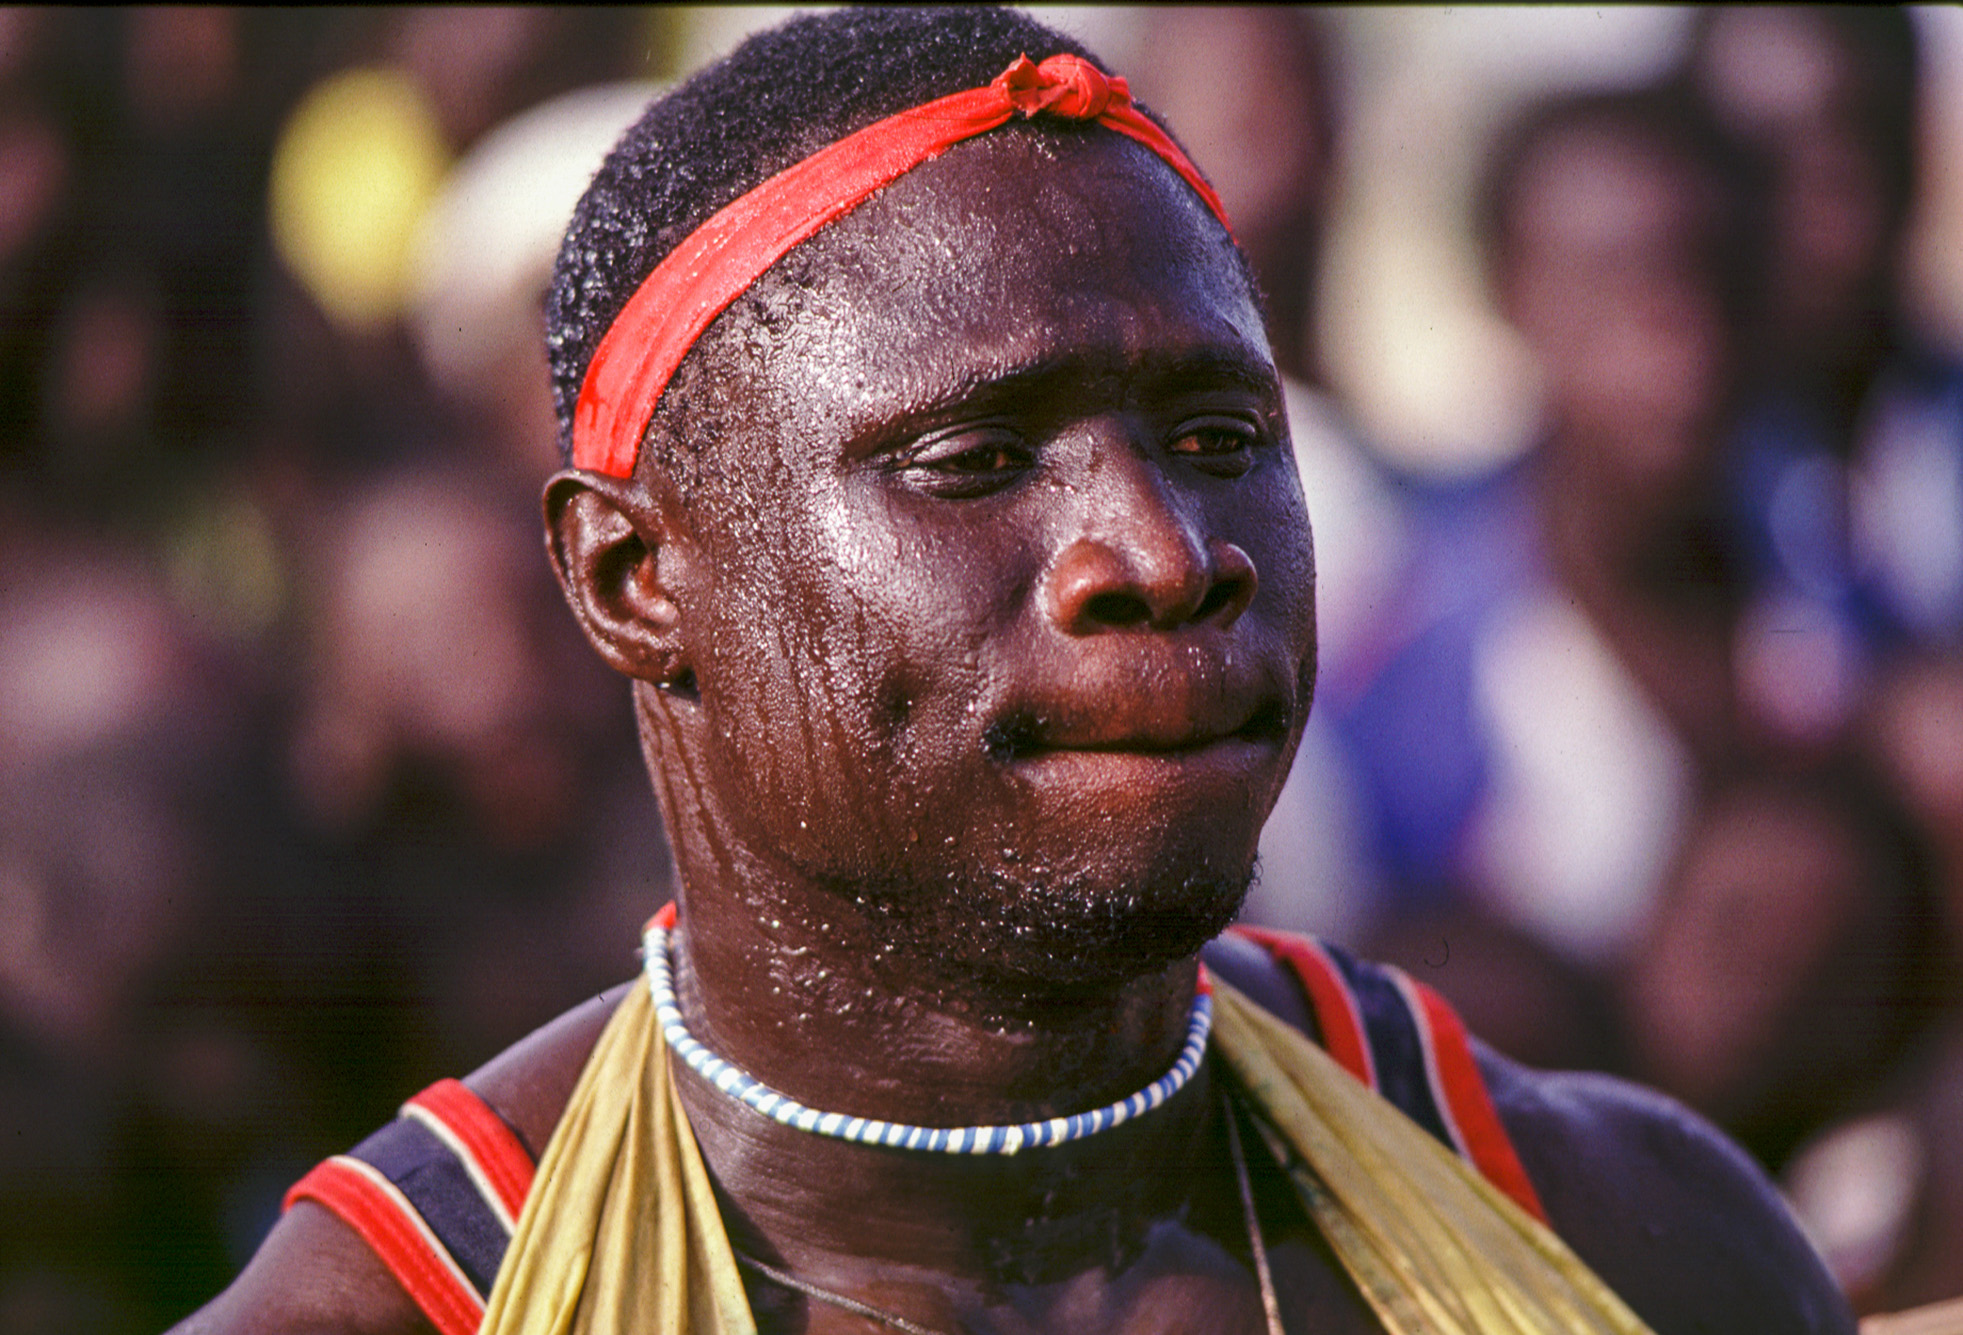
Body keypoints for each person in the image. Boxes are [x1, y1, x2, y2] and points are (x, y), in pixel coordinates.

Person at [173, 10, 1851, 1334]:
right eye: (975, 458)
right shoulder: (419, 1308)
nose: (1166, 552)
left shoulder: (1616, 1237)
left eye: (1218, 436)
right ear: (634, 578)